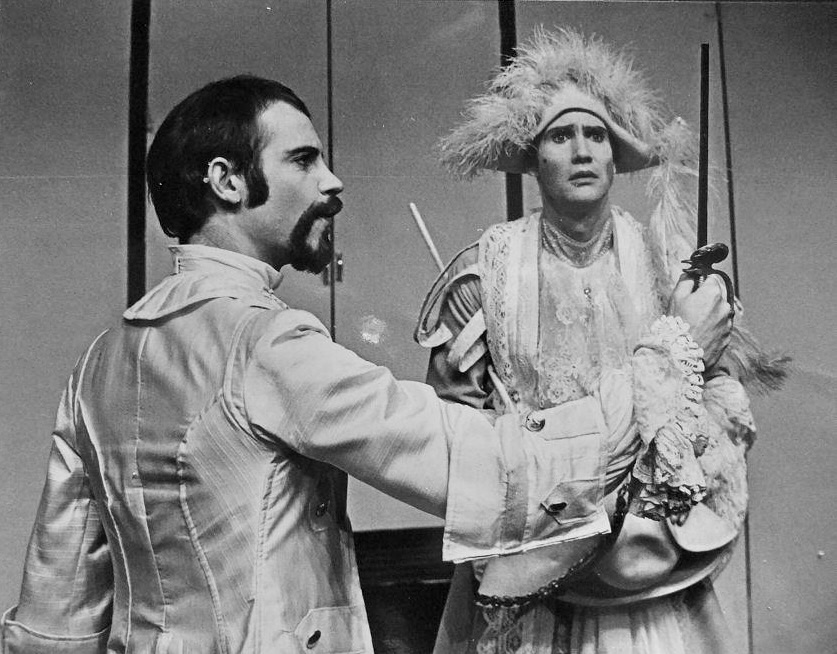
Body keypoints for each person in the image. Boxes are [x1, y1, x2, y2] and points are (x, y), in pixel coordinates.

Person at [0, 75, 727, 654]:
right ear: (226, 180)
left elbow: (55, 615)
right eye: (303, 159)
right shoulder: (267, 344)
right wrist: (674, 354)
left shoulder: (97, 363)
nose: (333, 182)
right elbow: (495, 468)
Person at [417, 29, 785, 654]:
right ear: (534, 157)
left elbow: (715, 399)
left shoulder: (664, 265)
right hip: (535, 560)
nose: (583, 150)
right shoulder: (485, 274)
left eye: (597, 135)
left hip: (650, 564)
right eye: (561, 136)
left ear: (616, 157)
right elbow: (450, 437)